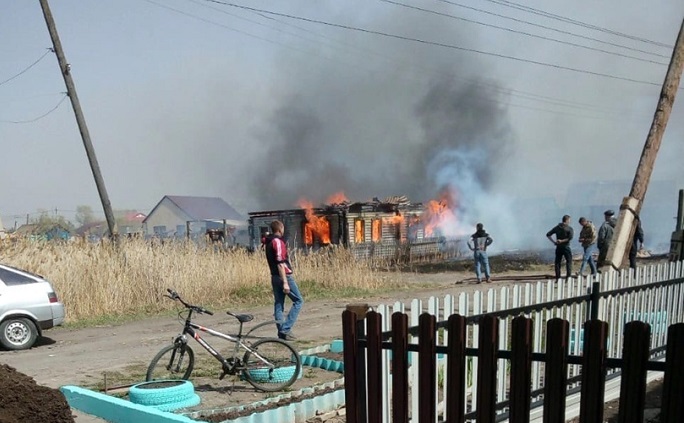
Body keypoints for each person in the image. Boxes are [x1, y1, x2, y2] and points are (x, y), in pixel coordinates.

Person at [264, 221, 304, 341]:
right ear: (280, 229)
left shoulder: (268, 241)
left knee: (279, 303)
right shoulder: (277, 242)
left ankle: (281, 332)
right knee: (298, 301)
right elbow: (280, 263)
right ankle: (285, 329)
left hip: (274, 276)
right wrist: (285, 282)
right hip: (283, 276)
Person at [546, 215, 574, 280]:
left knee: (557, 263)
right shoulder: (569, 228)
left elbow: (548, 234)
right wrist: (562, 241)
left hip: (558, 247)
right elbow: (570, 238)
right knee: (569, 262)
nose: (570, 221)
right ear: (567, 220)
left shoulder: (557, 227)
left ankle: (558, 278)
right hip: (566, 247)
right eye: (569, 220)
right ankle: (568, 277)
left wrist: (554, 242)